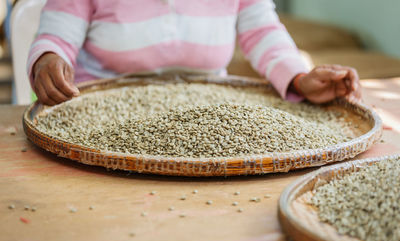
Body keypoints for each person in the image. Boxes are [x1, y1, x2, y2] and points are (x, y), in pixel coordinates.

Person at [28, 0, 359, 106]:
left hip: (209, 104)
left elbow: (262, 31)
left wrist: (299, 78)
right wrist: (49, 57)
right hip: (101, 104)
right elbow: (58, 32)